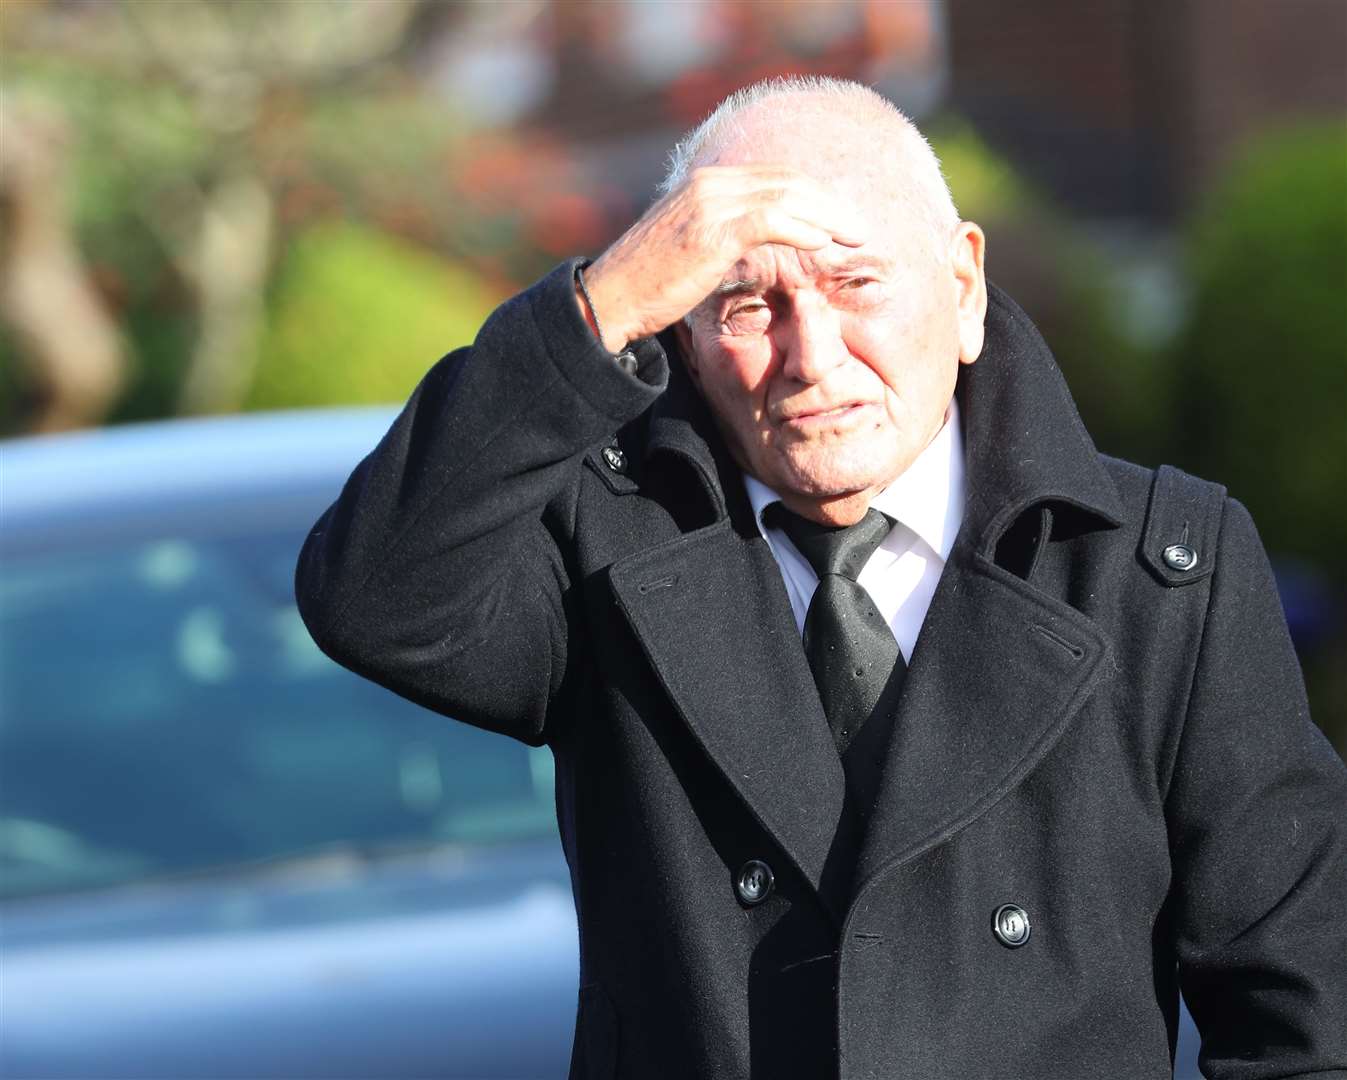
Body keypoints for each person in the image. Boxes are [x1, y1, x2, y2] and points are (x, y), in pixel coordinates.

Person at [295, 77, 1347, 1080]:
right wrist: (598, 306)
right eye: (747, 304)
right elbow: (377, 598)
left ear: (964, 285)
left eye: (856, 283)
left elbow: (1305, 1004)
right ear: (687, 336)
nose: (812, 356)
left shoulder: (1159, 574)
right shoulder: (600, 553)